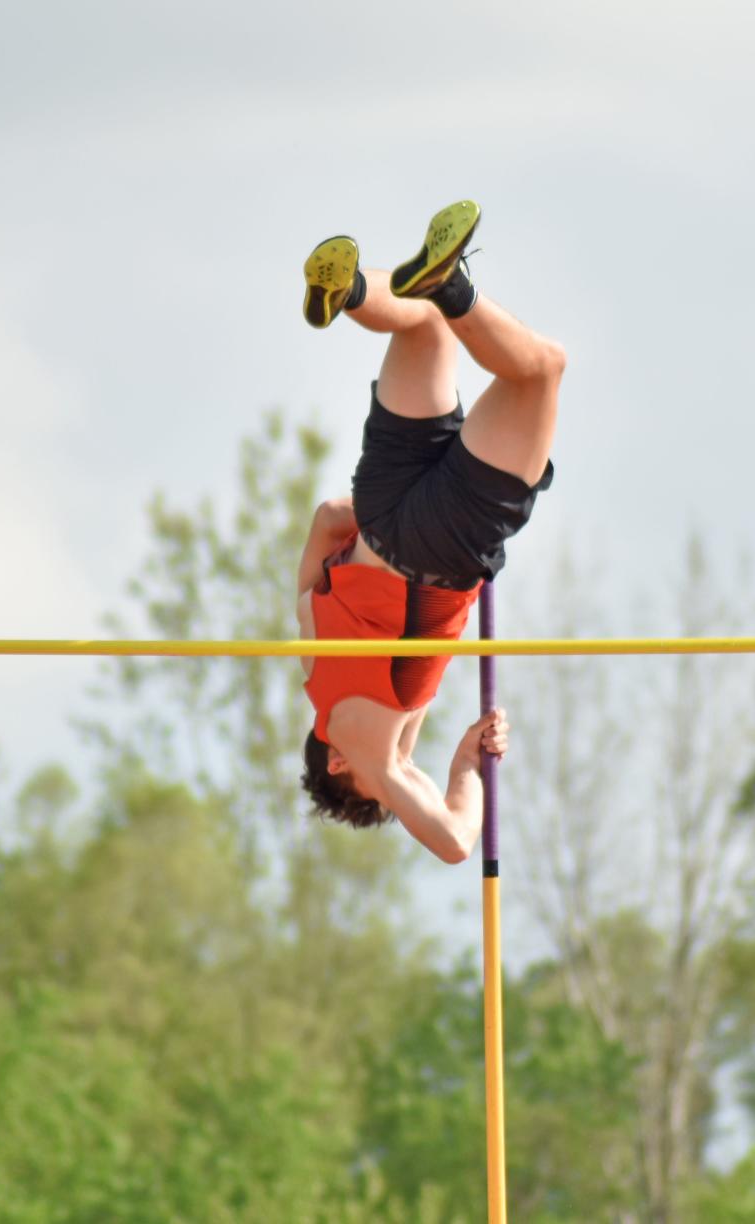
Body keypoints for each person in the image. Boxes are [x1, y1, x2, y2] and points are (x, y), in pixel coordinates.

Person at [297, 201, 564, 863]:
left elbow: (453, 841)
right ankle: (356, 290)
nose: (398, 776)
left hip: (439, 549)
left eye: (378, 792)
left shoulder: (362, 744)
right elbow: (329, 519)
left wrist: (459, 772)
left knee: (540, 372)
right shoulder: (307, 652)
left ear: (336, 765)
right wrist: (398, 518)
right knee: (425, 332)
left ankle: (453, 285)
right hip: (383, 505)